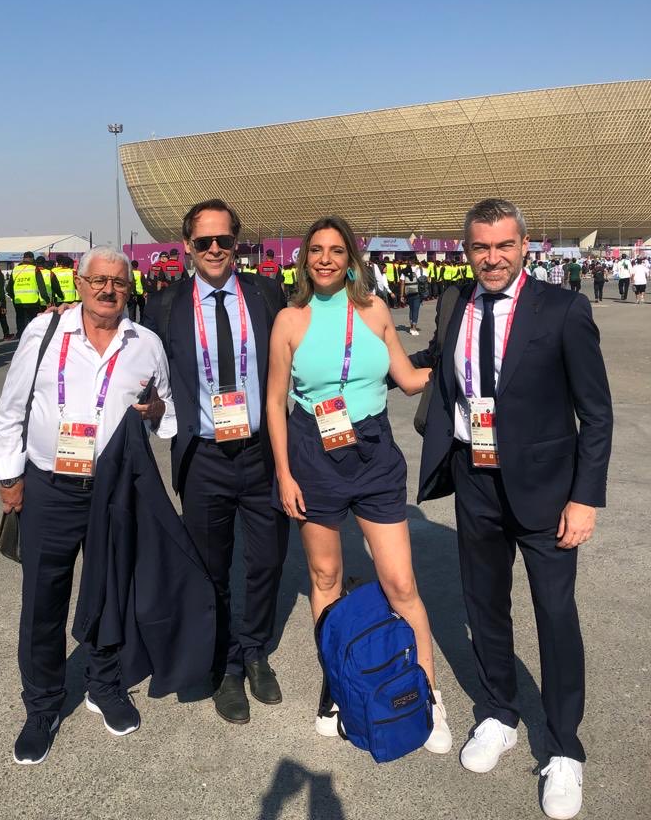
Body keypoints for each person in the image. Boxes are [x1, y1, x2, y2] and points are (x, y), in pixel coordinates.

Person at [414, 198, 612, 820]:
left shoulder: (562, 308)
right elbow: (434, 371)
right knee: (483, 605)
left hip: (548, 491)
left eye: (503, 246)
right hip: (477, 480)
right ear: (466, 250)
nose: (492, 258)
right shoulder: (456, 305)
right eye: (480, 248)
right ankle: (499, 711)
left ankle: (563, 747)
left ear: (524, 246)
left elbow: (597, 414)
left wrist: (585, 497)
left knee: (555, 614)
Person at [0, 246, 173, 765]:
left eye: (119, 283)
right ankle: (41, 705)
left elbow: (165, 411)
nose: (108, 290)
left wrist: (156, 409)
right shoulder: (44, 333)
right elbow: (11, 410)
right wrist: (10, 479)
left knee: (110, 590)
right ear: (79, 283)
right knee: (43, 597)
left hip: (113, 488)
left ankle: (103, 684)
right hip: (49, 485)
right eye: (98, 281)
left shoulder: (146, 344)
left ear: (130, 290)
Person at [266, 216, 451, 750]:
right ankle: (340, 688)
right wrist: (283, 473)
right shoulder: (290, 320)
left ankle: (427, 696)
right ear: (305, 258)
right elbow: (276, 403)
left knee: (401, 584)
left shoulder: (374, 310)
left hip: (373, 453)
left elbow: (410, 379)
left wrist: (461, 359)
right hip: (312, 455)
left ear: (351, 258)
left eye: (336, 250)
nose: (325, 259)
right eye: (317, 250)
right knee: (326, 579)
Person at [143, 199, 289, 726]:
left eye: (223, 241)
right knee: (212, 568)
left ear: (236, 243)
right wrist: (67, 317)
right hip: (203, 456)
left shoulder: (265, 294)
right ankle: (224, 662)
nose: (213, 250)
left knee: (269, 560)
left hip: (262, 452)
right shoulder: (163, 306)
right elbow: (129, 347)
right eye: (203, 241)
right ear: (187, 246)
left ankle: (254, 649)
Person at [7, 252, 48, 337]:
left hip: (19, 303)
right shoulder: (35, 269)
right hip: (33, 302)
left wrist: (14, 297)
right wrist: (47, 299)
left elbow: (9, 288)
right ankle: (34, 343)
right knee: (34, 324)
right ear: (32, 259)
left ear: (23, 259)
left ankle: (21, 343)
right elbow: (42, 287)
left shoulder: (16, 269)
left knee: (21, 324)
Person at [399, 261, 424, 336]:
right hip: (417, 293)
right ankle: (414, 328)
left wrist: (401, 295)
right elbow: (423, 281)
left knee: (411, 309)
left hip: (408, 293)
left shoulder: (404, 271)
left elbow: (402, 283)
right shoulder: (419, 269)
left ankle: (411, 326)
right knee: (416, 310)